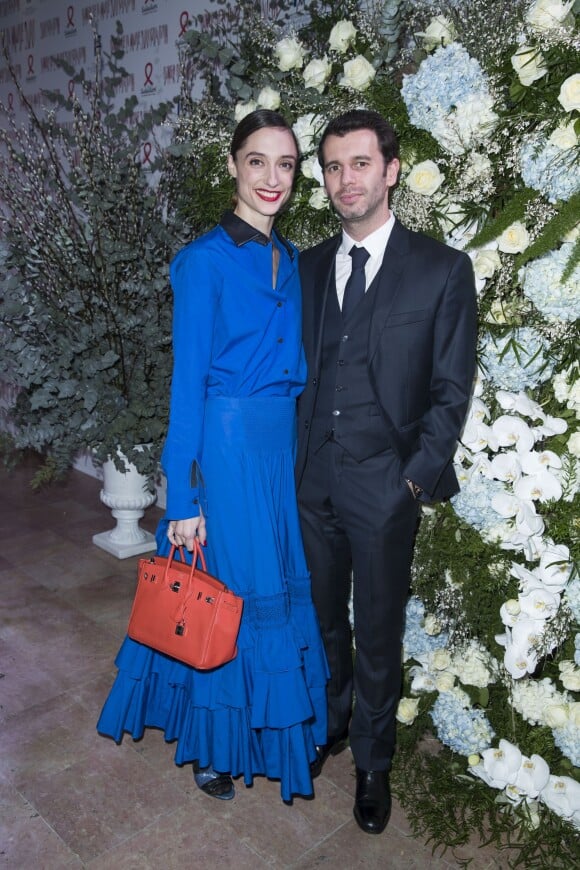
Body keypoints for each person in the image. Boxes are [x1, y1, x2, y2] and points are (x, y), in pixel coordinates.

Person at [98, 109, 328, 804]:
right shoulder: (202, 262)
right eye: (257, 161)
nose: (271, 178)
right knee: (222, 592)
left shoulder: (288, 260)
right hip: (225, 451)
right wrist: (185, 500)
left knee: (268, 589)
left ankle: (270, 729)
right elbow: (187, 387)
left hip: (275, 448)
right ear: (232, 165)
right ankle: (215, 747)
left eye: (285, 165)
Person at [296, 109, 478, 834]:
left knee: (376, 629)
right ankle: (333, 721)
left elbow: (451, 389)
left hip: (384, 485)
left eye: (360, 163)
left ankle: (373, 761)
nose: (347, 180)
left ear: (391, 169)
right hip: (312, 482)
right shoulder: (307, 267)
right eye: (334, 167)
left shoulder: (440, 268)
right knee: (320, 622)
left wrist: (414, 476)